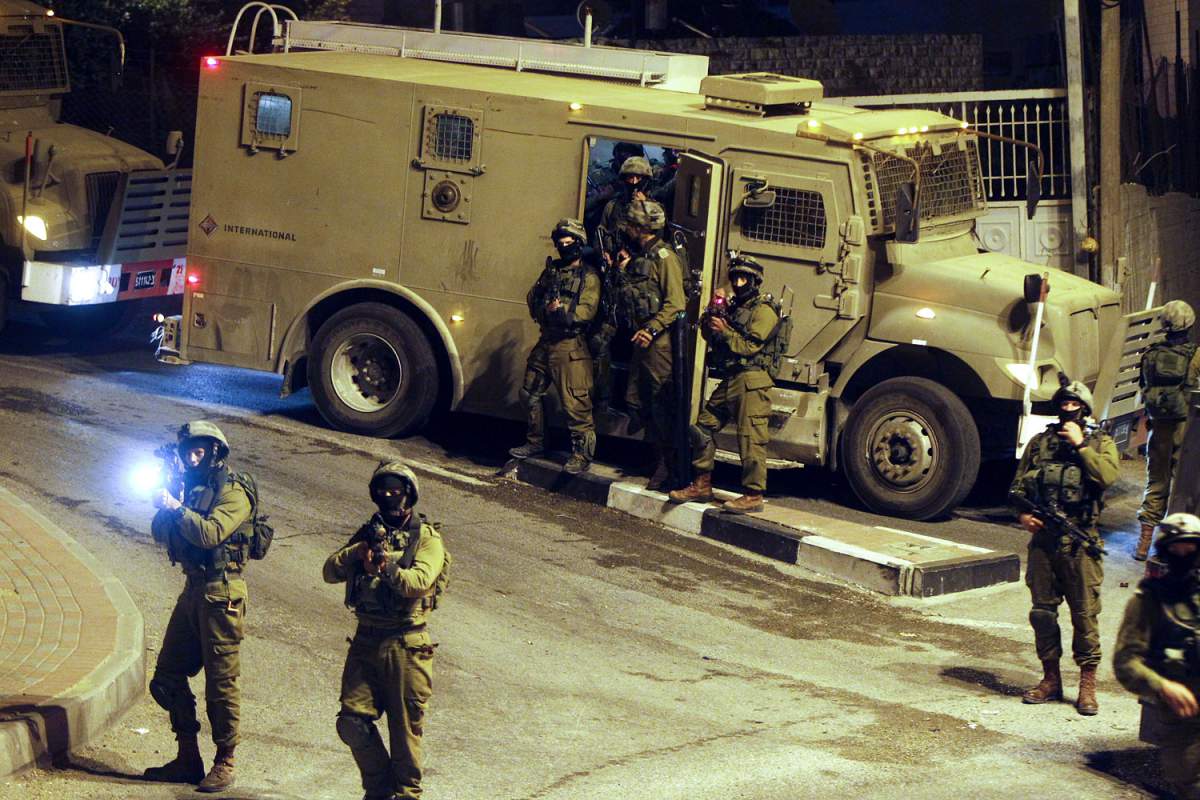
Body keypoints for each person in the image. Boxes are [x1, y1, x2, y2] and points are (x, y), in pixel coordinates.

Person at [324, 461, 446, 800]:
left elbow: (420, 582)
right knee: (351, 722)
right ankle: (378, 790)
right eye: (382, 488)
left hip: (407, 644)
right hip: (366, 638)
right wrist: (359, 552)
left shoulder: (427, 539)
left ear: (409, 493)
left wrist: (388, 565)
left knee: (405, 731)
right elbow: (329, 571)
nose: (388, 495)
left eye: (395, 488)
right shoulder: (367, 533)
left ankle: (406, 793)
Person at [145, 421, 253, 792]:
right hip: (193, 590)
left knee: (221, 685)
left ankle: (225, 760)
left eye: (199, 451)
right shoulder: (189, 490)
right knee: (167, 678)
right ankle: (188, 757)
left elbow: (210, 534)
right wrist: (168, 501)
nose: (192, 458)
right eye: (187, 451)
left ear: (215, 453)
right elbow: (160, 534)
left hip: (222, 594)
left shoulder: (234, 491)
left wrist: (177, 507)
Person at [1010, 377, 1119, 716]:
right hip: (1044, 542)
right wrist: (1024, 516)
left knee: (1085, 616)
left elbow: (1107, 477)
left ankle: (1087, 685)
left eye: (1075, 405)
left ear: (1084, 410)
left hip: (1080, 544)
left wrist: (1082, 446)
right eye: (1064, 404)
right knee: (1042, 612)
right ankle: (1051, 679)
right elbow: (1017, 487)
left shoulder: (1100, 443)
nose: (1068, 410)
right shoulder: (1041, 443)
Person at [669, 254, 778, 513]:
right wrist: (712, 318)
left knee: (750, 438)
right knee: (702, 428)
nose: (739, 283)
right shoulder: (732, 307)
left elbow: (750, 345)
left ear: (755, 280)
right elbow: (711, 337)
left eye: (744, 278)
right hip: (731, 377)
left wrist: (726, 330)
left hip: (752, 379)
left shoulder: (764, 310)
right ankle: (702, 483)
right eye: (735, 278)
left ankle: (753, 495)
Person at [1115, 513, 1200, 799]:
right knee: (1190, 784)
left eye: (1192, 547)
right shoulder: (1149, 601)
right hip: (1185, 717)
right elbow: (1126, 663)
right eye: (1177, 547)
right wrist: (1163, 686)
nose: (1185, 554)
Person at [508, 218, 600, 474]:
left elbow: (586, 311)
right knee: (530, 392)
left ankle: (581, 455)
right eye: (560, 242)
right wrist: (545, 311)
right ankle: (535, 441)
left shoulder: (588, 277)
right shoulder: (552, 271)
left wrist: (563, 314)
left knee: (576, 405)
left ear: (579, 244)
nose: (563, 246)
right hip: (547, 340)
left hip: (569, 346)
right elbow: (532, 298)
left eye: (569, 242)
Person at [613, 199, 687, 490]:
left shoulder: (664, 257)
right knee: (635, 399)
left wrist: (652, 329)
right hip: (641, 340)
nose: (628, 229)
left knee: (660, 403)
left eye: (631, 225)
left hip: (658, 343)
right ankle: (655, 455)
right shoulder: (642, 255)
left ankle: (666, 467)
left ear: (640, 228)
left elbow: (676, 303)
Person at [1135, 300, 1200, 560]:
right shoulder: (1197, 356)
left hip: (1159, 428)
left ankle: (1143, 544)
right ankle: (1176, 546)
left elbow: (1144, 389)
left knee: (1156, 483)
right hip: (1189, 431)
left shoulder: (1150, 355)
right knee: (1186, 488)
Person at [585, 142, 645, 231]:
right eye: (623, 150)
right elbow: (581, 207)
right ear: (615, 152)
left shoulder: (644, 180)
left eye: (632, 152)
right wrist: (599, 198)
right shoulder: (598, 176)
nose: (627, 156)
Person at [599, 155, 654, 235]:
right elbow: (601, 233)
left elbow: (658, 237)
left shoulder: (655, 209)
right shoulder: (612, 207)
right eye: (630, 177)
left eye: (638, 178)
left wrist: (645, 207)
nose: (634, 182)